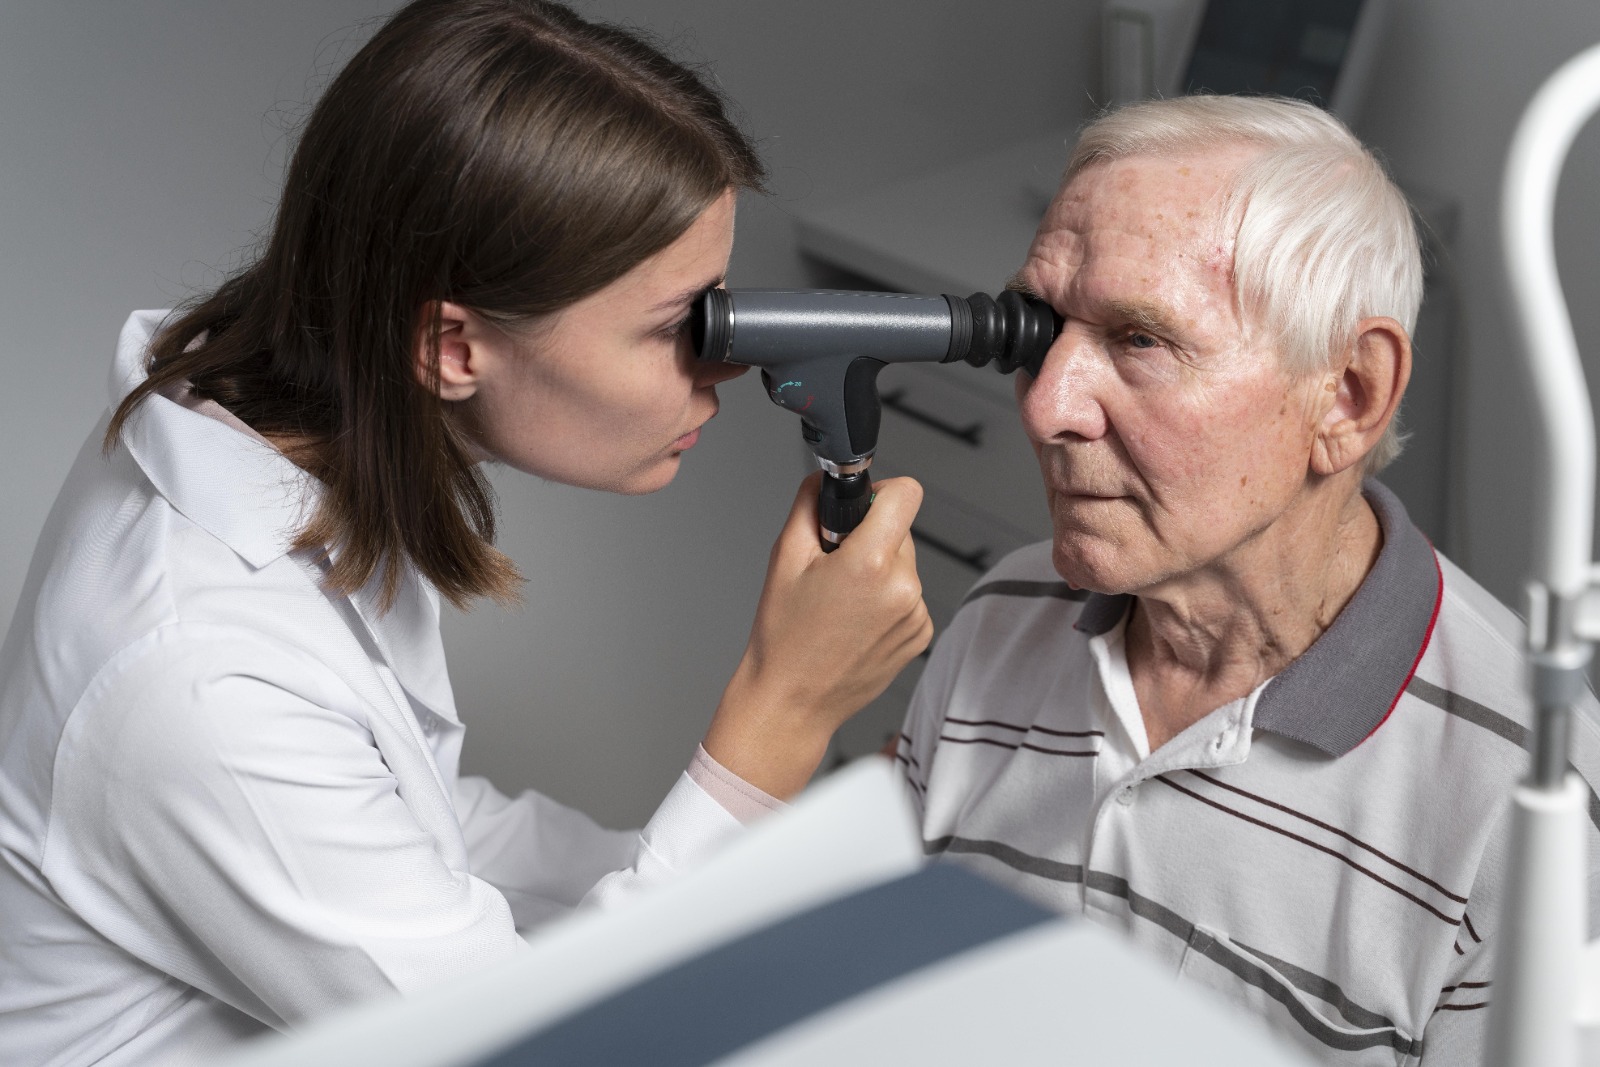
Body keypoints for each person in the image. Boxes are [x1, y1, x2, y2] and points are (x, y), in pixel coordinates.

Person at [0, 2, 932, 1062]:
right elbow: (550, 1052)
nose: (726, 360)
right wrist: (781, 714)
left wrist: (757, 863)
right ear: (451, 345)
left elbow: (416, 820)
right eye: (678, 323)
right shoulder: (203, 676)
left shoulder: (262, 418)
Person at [894, 94, 1600, 1065]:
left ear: (1346, 395)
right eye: (1040, 325)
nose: (1047, 405)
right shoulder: (997, 620)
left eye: (1139, 340)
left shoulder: (1520, 797)